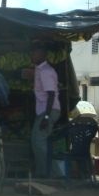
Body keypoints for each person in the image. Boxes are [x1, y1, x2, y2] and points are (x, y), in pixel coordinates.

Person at [30, 44, 61, 178]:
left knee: (38, 141)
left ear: (42, 55)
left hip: (48, 111)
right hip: (44, 110)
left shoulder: (46, 72)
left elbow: (51, 94)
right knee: (40, 141)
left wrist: (47, 117)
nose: (32, 56)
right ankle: (49, 172)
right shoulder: (39, 70)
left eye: (35, 53)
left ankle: (48, 173)